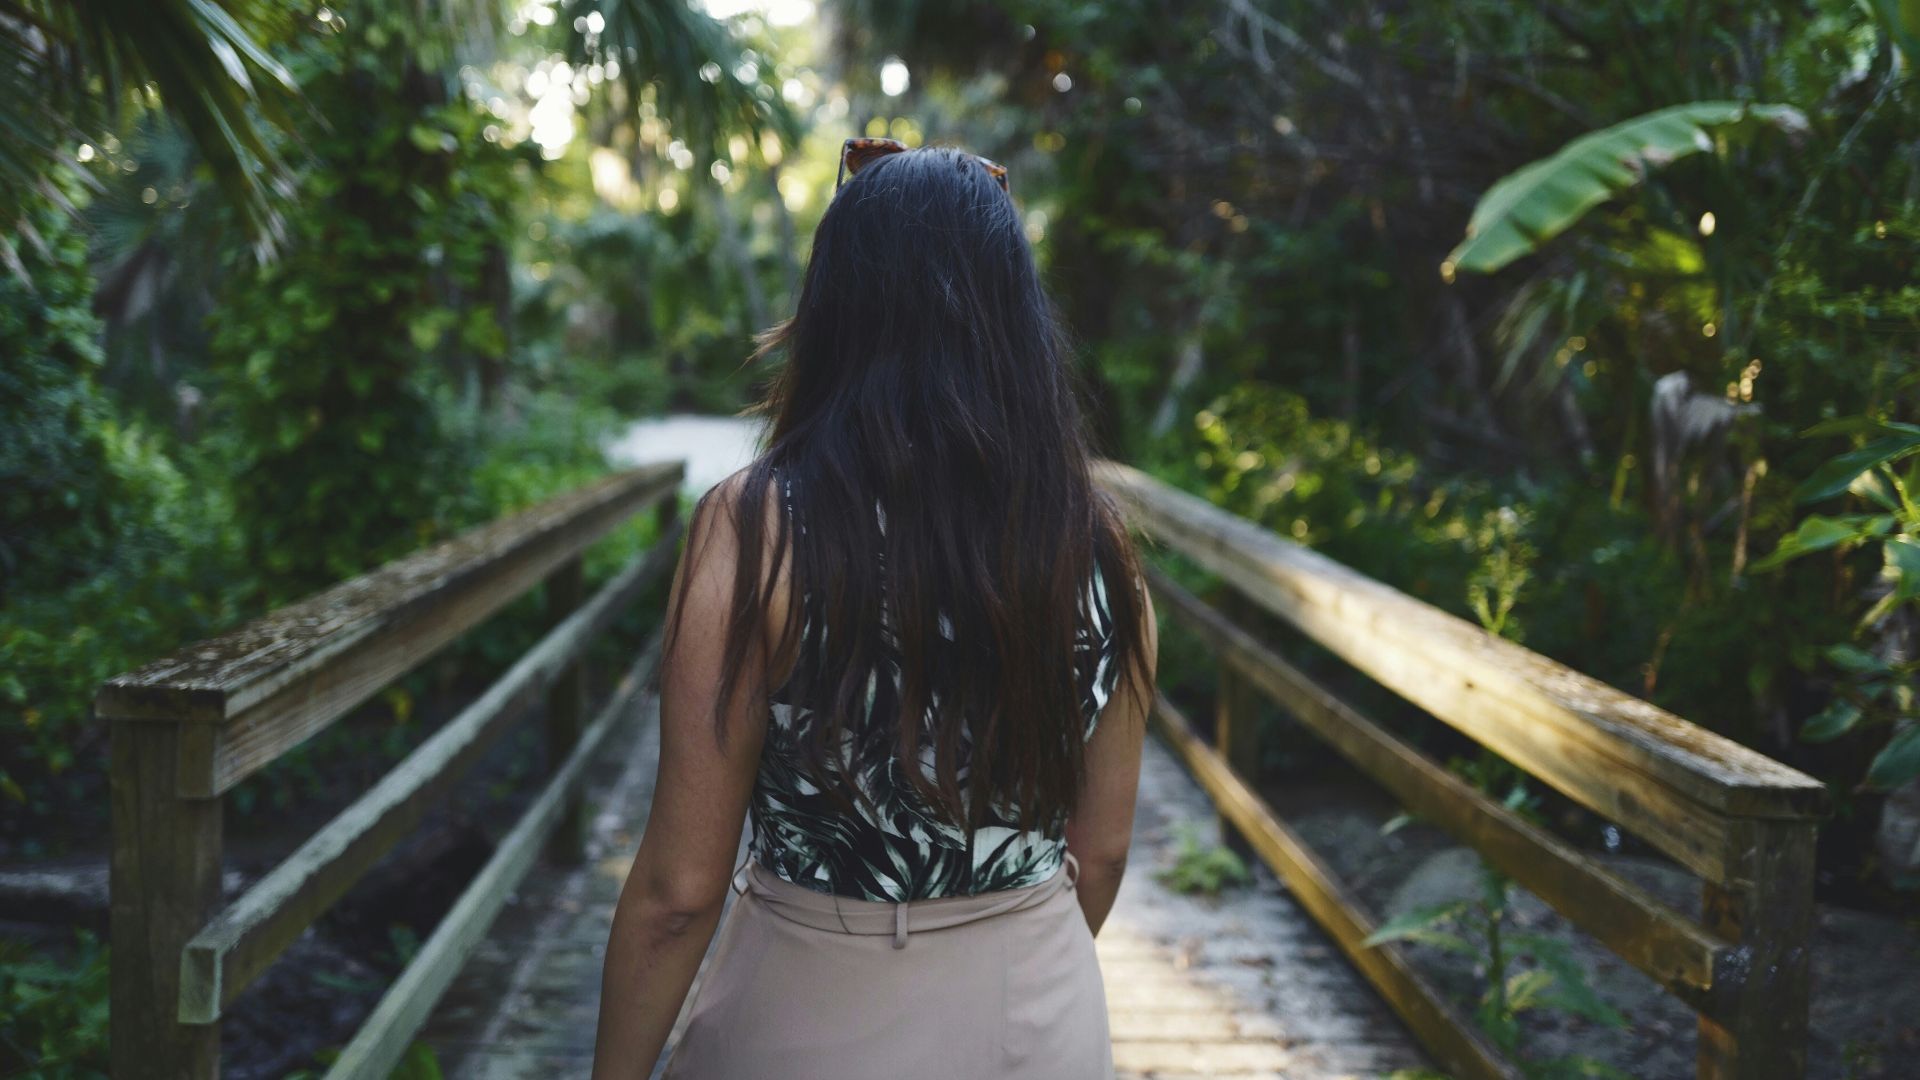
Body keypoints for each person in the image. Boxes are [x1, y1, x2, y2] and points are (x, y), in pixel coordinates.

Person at [589, 138, 1160, 1080]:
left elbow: (681, 891)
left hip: (810, 1009)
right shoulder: (1098, 546)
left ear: (835, 313)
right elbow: (1099, 854)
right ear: (1015, 322)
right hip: (1040, 1011)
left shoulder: (755, 528)